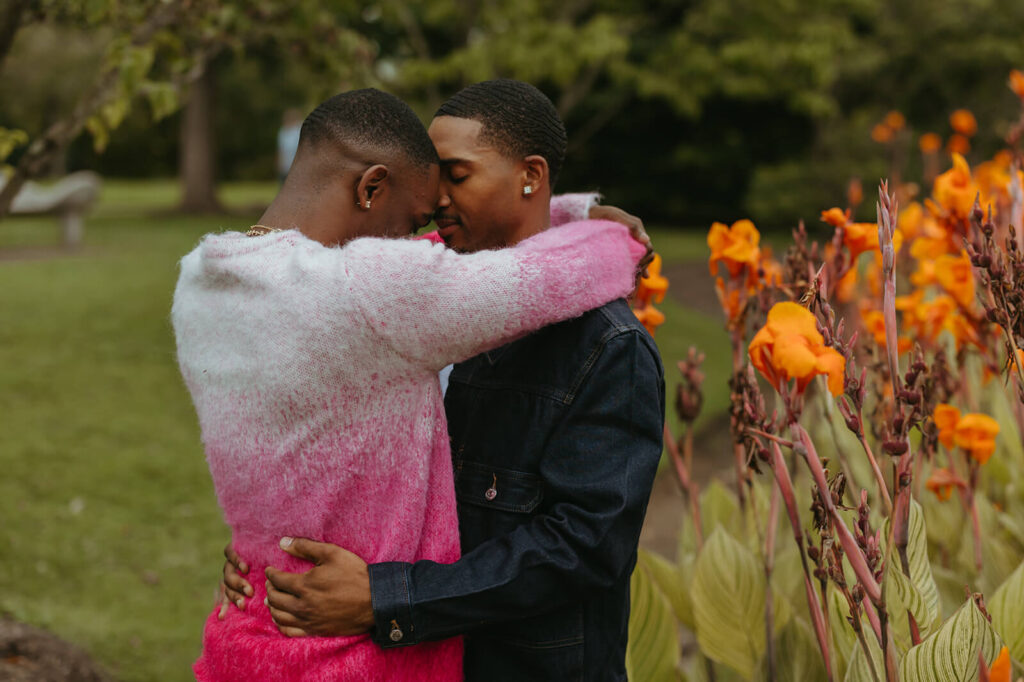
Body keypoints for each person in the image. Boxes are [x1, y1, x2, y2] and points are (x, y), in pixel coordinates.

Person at [172, 87, 647, 682]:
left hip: (256, 640)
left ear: (530, 174)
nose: (434, 220)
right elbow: (532, 275)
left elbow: (587, 544)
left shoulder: (202, 278)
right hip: (355, 659)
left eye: (458, 177)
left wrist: (266, 550)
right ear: (371, 187)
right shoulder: (378, 295)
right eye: (417, 214)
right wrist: (610, 234)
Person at [276, 108, 302, 183]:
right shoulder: (282, 131)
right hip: (285, 165)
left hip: (296, 165)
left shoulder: (298, 130)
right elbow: (281, 149)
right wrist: (279, 163)